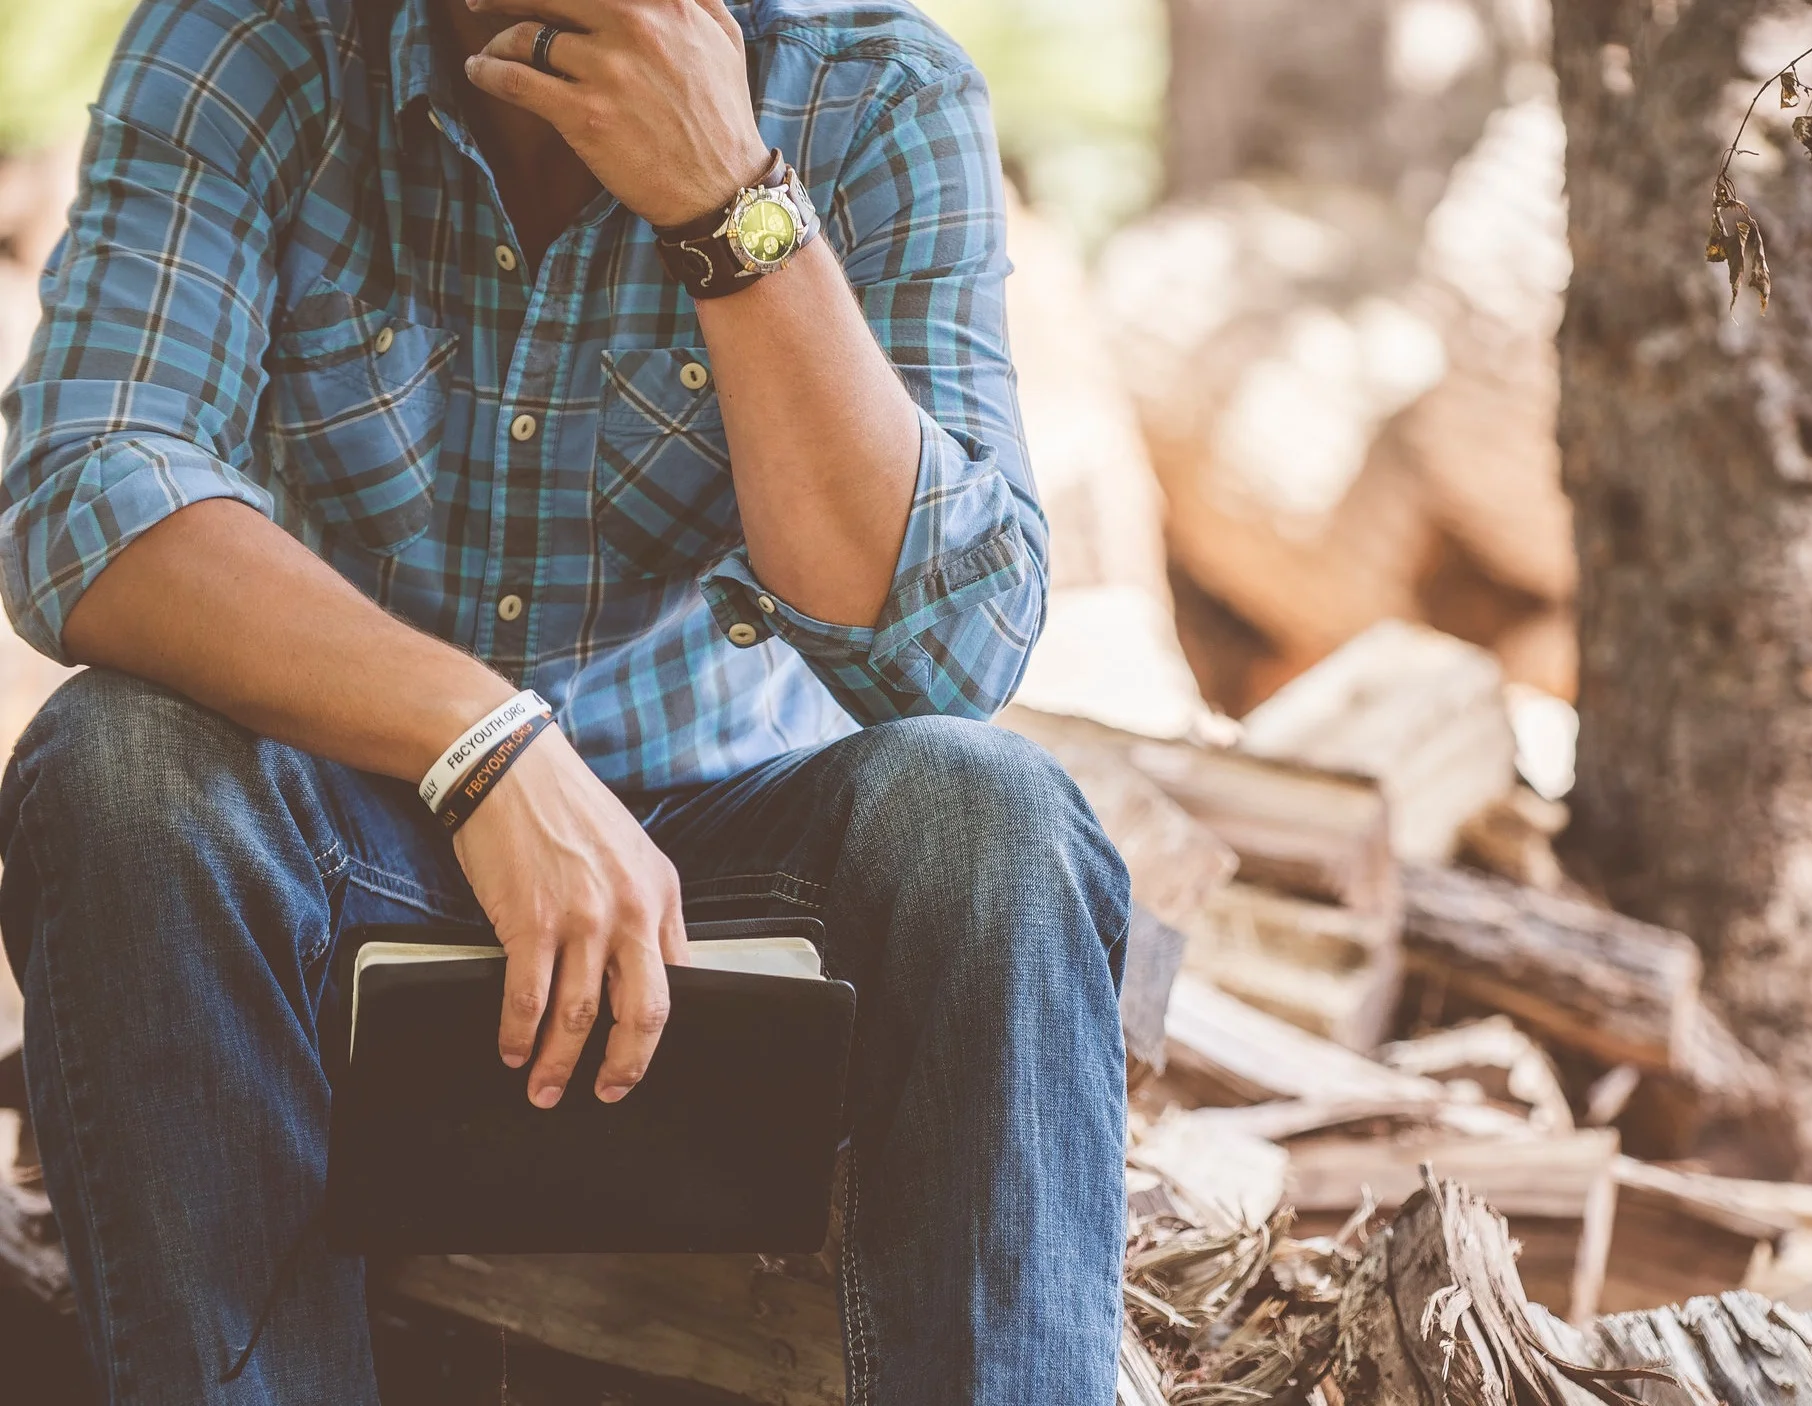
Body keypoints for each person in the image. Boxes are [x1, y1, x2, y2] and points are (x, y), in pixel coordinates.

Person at [0, 0, 1130, 1400]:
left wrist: (732, 204)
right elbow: (87, 494)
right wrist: (476, 743)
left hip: (723, 914)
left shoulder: (877, 88)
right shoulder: (252, 42)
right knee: (118, 759)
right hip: (338, 883)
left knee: (994, 820)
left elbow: (950, 653)